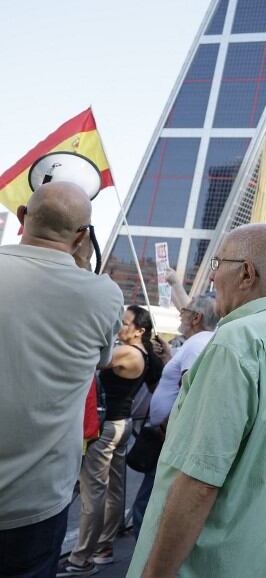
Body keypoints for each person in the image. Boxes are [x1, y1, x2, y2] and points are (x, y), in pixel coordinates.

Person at [126, 224, 266, 577]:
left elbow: (199, 482)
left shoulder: (236, 341)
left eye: (218, 263)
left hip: (200, 564)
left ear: (247, 273)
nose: (213, 277)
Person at [0, 182, 123, 577]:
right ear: (82, 236)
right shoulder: (103, 295)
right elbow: (103, 358)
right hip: (37, 500)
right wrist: (82, 263)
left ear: (22, 217)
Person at [61, 305, 157, 573]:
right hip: (121, 424)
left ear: (140, 330)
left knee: (94, 492)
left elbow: (93, 359)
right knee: (113, 489)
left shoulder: (127, 352)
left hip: (108, 428)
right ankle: (104, 546)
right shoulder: (146, 354)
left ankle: (81, 557)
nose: (120, 327)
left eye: (125, 323)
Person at [131, 293, 220, 538]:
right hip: (169, 435)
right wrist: (169, 358)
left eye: (185, 309)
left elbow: (191, 392)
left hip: (168, 437)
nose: (182, 313)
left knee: (148, 503)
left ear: (197, 317)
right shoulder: (198, 343)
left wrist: (167, 428)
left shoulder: (197, 344)